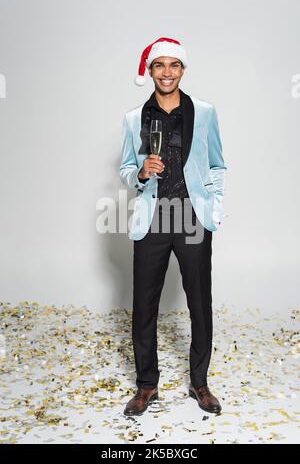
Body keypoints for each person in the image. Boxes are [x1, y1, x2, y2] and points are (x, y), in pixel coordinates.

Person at [119, 37, 227, 416]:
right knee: (143, 305)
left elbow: (217, 165)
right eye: (159, 65)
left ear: (182, 70)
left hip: (192, 217)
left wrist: (214, 209)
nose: (167, 72)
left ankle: (200, 383)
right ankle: (147, 386)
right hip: (152, 218)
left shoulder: (206, 112)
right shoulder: (135, 119)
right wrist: (140, 173)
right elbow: (125, 168)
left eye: (174, 65)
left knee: (200, 302)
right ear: (149, 71)